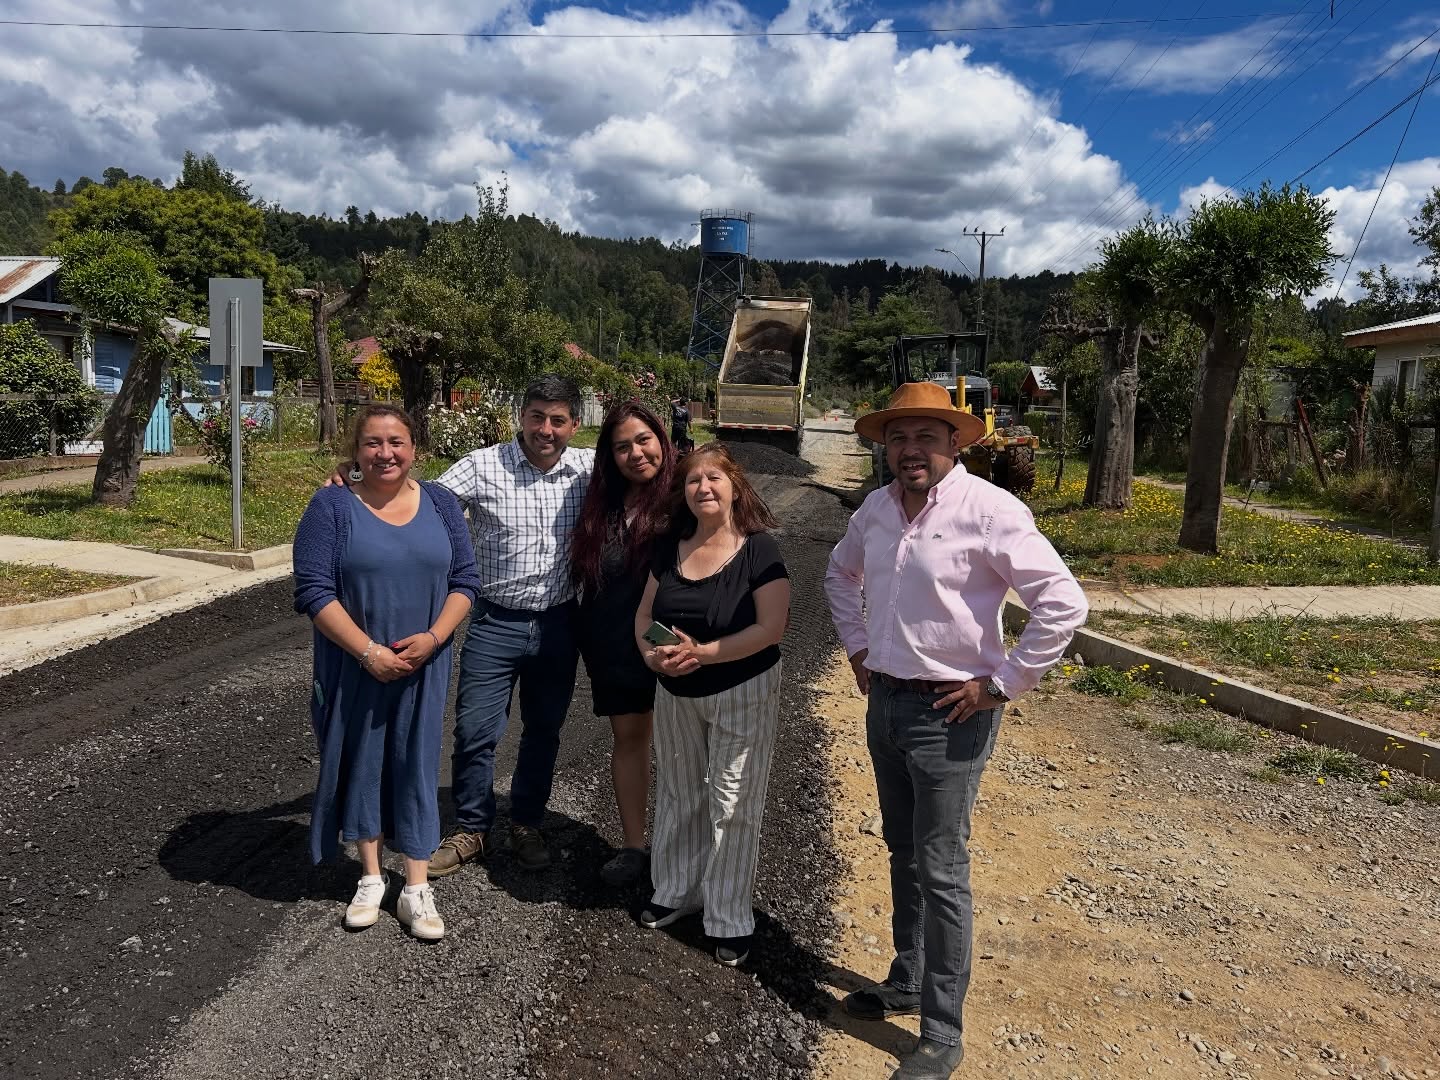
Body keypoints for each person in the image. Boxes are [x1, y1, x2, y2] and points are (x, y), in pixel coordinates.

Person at [824, 381, 1088, 1080]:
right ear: (885, 447)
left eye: (926, 438)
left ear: (955, 443)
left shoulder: (991, 510)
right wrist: (856, 650)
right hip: (885, 703)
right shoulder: (876, 511)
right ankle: (907, 978)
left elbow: (1063, 602)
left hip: (952, 713)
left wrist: (1002, 685)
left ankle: (942, 1032)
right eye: (899, 438)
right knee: (901, 848)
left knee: (941, 869)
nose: (910, 450)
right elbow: (837, 575)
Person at [294, 405, 482, 941]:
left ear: (414, 448)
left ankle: (416, 885)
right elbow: (313, 590)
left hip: (424, 662)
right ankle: (371, 875)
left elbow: (465, 580)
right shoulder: (331, 506)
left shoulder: (442, 504)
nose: (385, 453)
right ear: (356, 451)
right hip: (354, 663)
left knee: (416, 762)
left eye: (396, 441)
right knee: (362, 758)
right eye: (373, 443)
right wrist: (368, 651)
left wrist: (434, 638)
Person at [428, 375, 597, 876]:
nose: (546, 429)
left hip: (560, 624)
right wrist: (350, 481)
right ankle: (471, 829)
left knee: (544, 730)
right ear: (521, 416)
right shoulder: (482, 466)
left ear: (575, 424)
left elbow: (654, 481)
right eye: (537, 417)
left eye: (558, 420)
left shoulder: (590, 470)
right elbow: (421, 504)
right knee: (474, 730)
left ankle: (526, 822)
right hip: (494, 622)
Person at [632, 444, 790, 967]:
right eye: (693, 479)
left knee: (733, 802)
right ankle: (676, 891)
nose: (703, 487)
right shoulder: (669, 547)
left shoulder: (759, 551)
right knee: (679, 792)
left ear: (735, 486)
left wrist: (705, 654)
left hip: (742, 690)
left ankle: (728, 916)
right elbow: (644, 617)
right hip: (676, 692)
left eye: (714, 477)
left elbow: (771, 629)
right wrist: (656, 658)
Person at [570, 401, 676, 886]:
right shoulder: (602, 505)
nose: (635, 453)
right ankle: (635, 845)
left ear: (661, 439)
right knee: (630, 741)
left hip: (675, 643)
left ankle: (683, 847)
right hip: (613, 644)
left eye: (643, 440)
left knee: (685, 749)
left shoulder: (685, 494)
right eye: (621, 446)